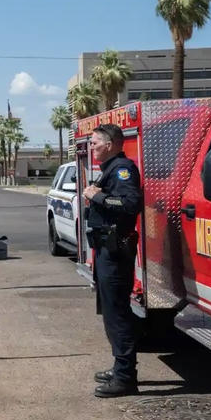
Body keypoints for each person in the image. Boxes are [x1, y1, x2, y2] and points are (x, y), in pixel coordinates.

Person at [83, 123, 143, 398]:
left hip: (116, 252)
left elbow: (130, 204)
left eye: (95, 143)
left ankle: (125, 377)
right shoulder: (110, 169)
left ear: (109, 144)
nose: (91, 147)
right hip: (106, 250)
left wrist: (99, 196)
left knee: (118, 313)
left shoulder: (123, 169)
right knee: (110, 312)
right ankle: (119, 367)